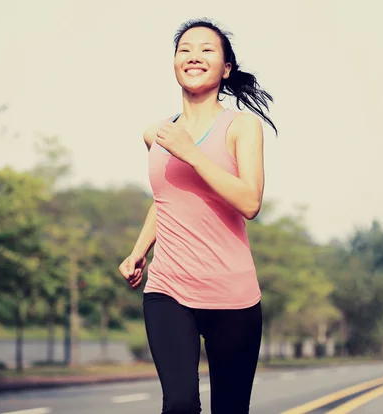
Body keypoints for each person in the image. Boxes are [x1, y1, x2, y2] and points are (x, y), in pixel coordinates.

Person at [118, 17, 277, 414]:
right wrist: (139, 250)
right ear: (174, 63)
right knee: (180, 405)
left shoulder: (242, 127)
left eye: (207, 49)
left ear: (225, 69)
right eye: (185, 49)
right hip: (168, 288)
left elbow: (250, 201)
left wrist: (190, 152)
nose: (194, 56)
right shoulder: (156, 132)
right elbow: (168, 197)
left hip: (232, 294)